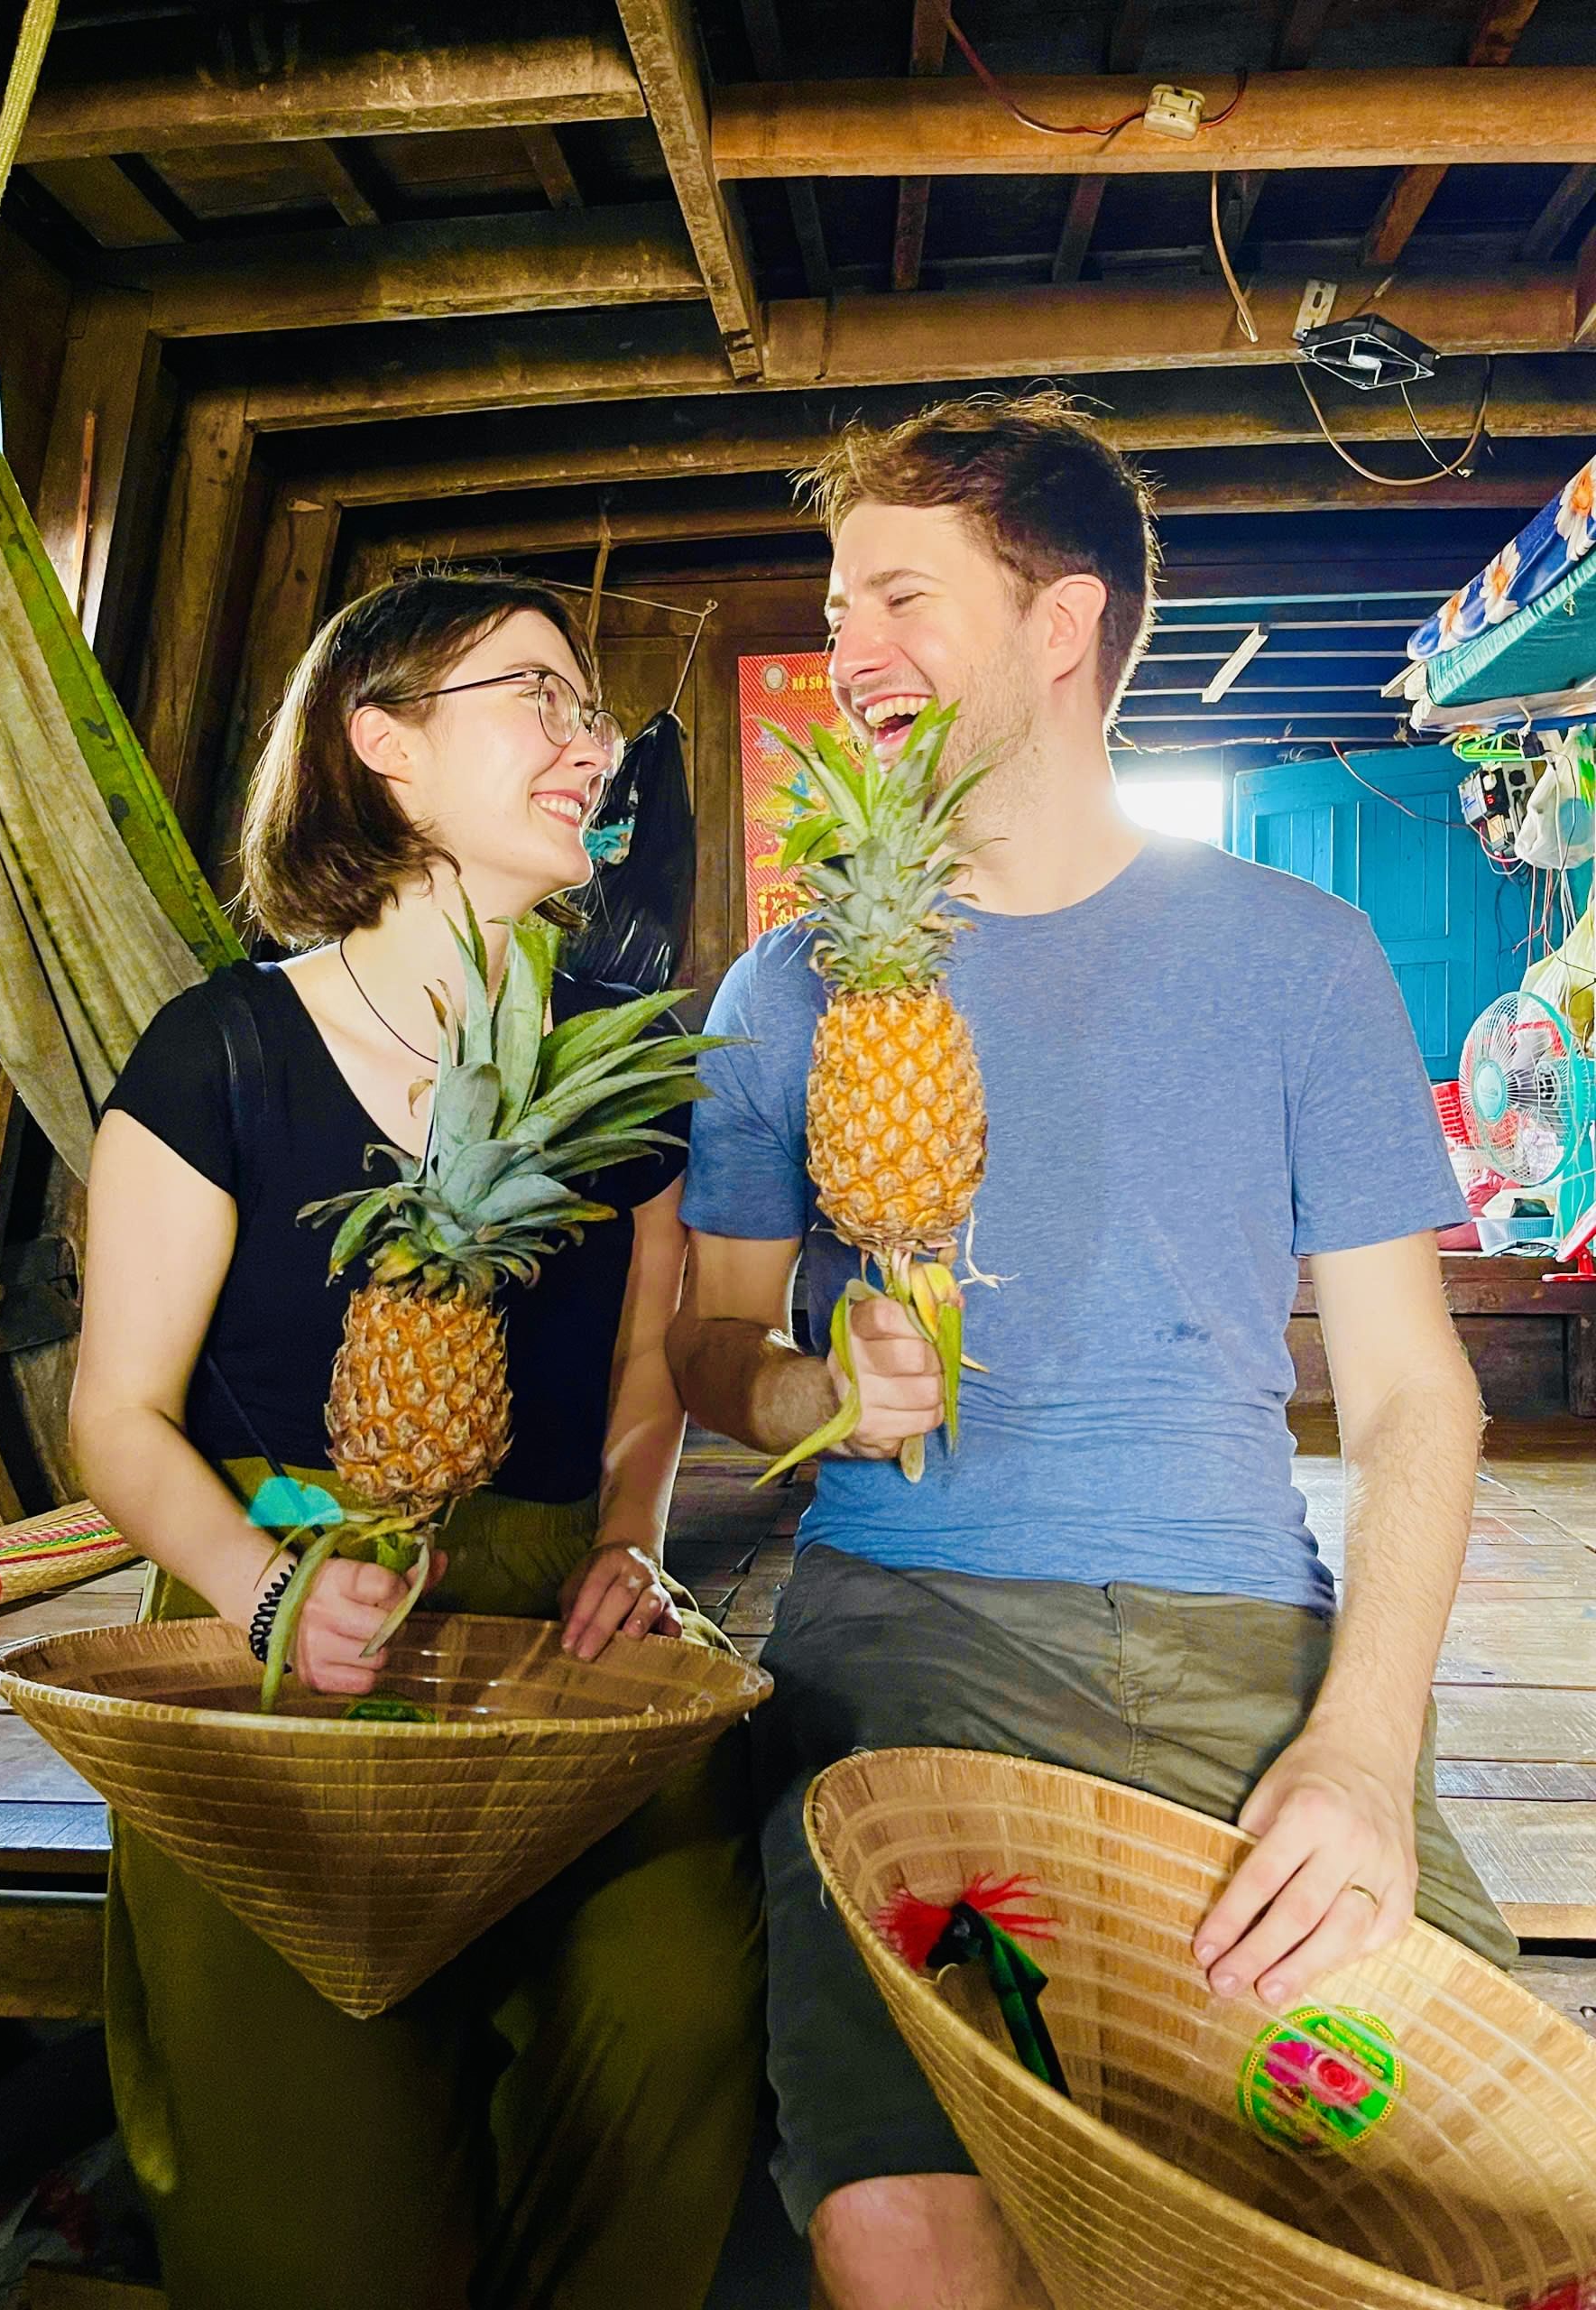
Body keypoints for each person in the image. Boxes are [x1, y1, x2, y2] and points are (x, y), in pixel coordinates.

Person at [667, 393, 1517, 2310]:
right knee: (905, 2225)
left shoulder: (1299, 953)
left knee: (1468, 2205)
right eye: (835, 599)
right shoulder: (793, 986)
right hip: (906, 1629)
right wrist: (807, 1390)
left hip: (1246, 1652)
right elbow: (711, 1338)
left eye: (897, 594)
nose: (846, 648)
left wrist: (1365, 1748)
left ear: (1063, 624)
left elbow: (1410, 1392)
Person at [70, 571, 762, 2310]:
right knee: (325, 2204)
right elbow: (118, 1415)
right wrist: (261, 1589)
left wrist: (630, 1539)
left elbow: (642, 1379)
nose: (588, 741)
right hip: (281, 1581)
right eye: (534, 694)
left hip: (552, 1629)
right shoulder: (223, 1050)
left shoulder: (617, 1081)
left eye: (588, 708)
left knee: (682, 2006)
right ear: (381, 743)